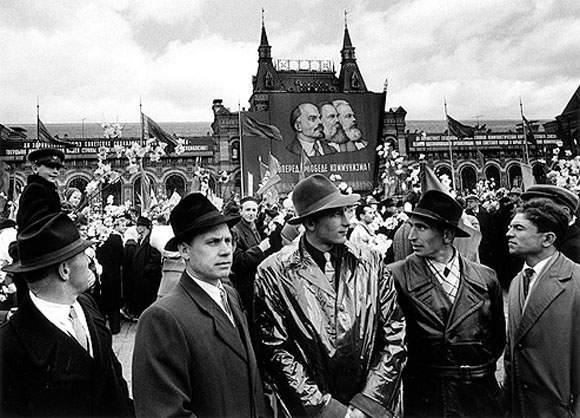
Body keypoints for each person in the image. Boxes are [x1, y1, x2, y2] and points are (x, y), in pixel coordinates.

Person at [255, 174, 406, 417]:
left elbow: (394, 332)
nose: (347, 221)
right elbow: (275, 348)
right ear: (311, 223)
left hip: (371, 409)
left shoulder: (371, 261)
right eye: (336, 213)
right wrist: (329, 409)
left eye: (347, 211)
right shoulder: (274, 271)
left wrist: (367, 403)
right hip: (311, 410)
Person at [132, 193, 269, 418]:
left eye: (228, 241)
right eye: (212, 242)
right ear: (184, 250)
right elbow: (164, 411)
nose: (226, 250)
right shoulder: (162, 317)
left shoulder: (230, 296)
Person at [0, 212, 133, 417]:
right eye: (82, 254)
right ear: (65, 270)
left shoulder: (86, 305)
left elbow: (114, 381)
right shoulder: (10, 345)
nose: (89, 260)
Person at [387, 190, 505, 417]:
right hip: (427, 397)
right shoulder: (395, 276)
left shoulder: (485, 277)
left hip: (479, 396)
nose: (411, 236)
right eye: (411, 226)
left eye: (421, 228)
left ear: (448, 236)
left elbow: (497, 338)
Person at [504, 200, 580, 417]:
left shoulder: (575, 280)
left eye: (519, 228)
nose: (509, 234)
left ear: (548, 239)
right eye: (510, 227)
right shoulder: (518, 282)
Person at [230, 196, 271, 316]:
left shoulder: (253, 227)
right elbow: (238, 262)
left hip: (254, 282)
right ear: (241, 211)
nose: (251, 213)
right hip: (243, 285)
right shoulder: (235, 231)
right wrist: (260, 249)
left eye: (254, 210)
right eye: (248, 210)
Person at [520, 184, 580, 263]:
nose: (531, 215)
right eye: (528, 208)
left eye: (541, 209)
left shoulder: (574, 248)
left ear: (565, 212)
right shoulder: (538, 237)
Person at [16, 148, 64, 228]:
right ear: (35, 168)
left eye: (58, 168)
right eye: (50, 167)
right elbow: (38, 223)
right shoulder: (35, 189)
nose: (56, 171)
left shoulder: (47, 189)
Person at [96, 216, 125, 334]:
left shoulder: (98, 239)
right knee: (114, 302)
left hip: (102, 274)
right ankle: (115, 327)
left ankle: (101, 326)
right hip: (115, 274)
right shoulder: (116, 238)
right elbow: (122, 257)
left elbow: (97, 256)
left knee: (102, 301)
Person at [128, 216, 162, 317]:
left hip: (148, 279)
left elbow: (155, 260)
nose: (137, 228)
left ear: (144, 227)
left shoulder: (151, 241)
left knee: (148, 301)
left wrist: (145, 270)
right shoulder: (140, 240)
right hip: (141, 277)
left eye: (139, 225)